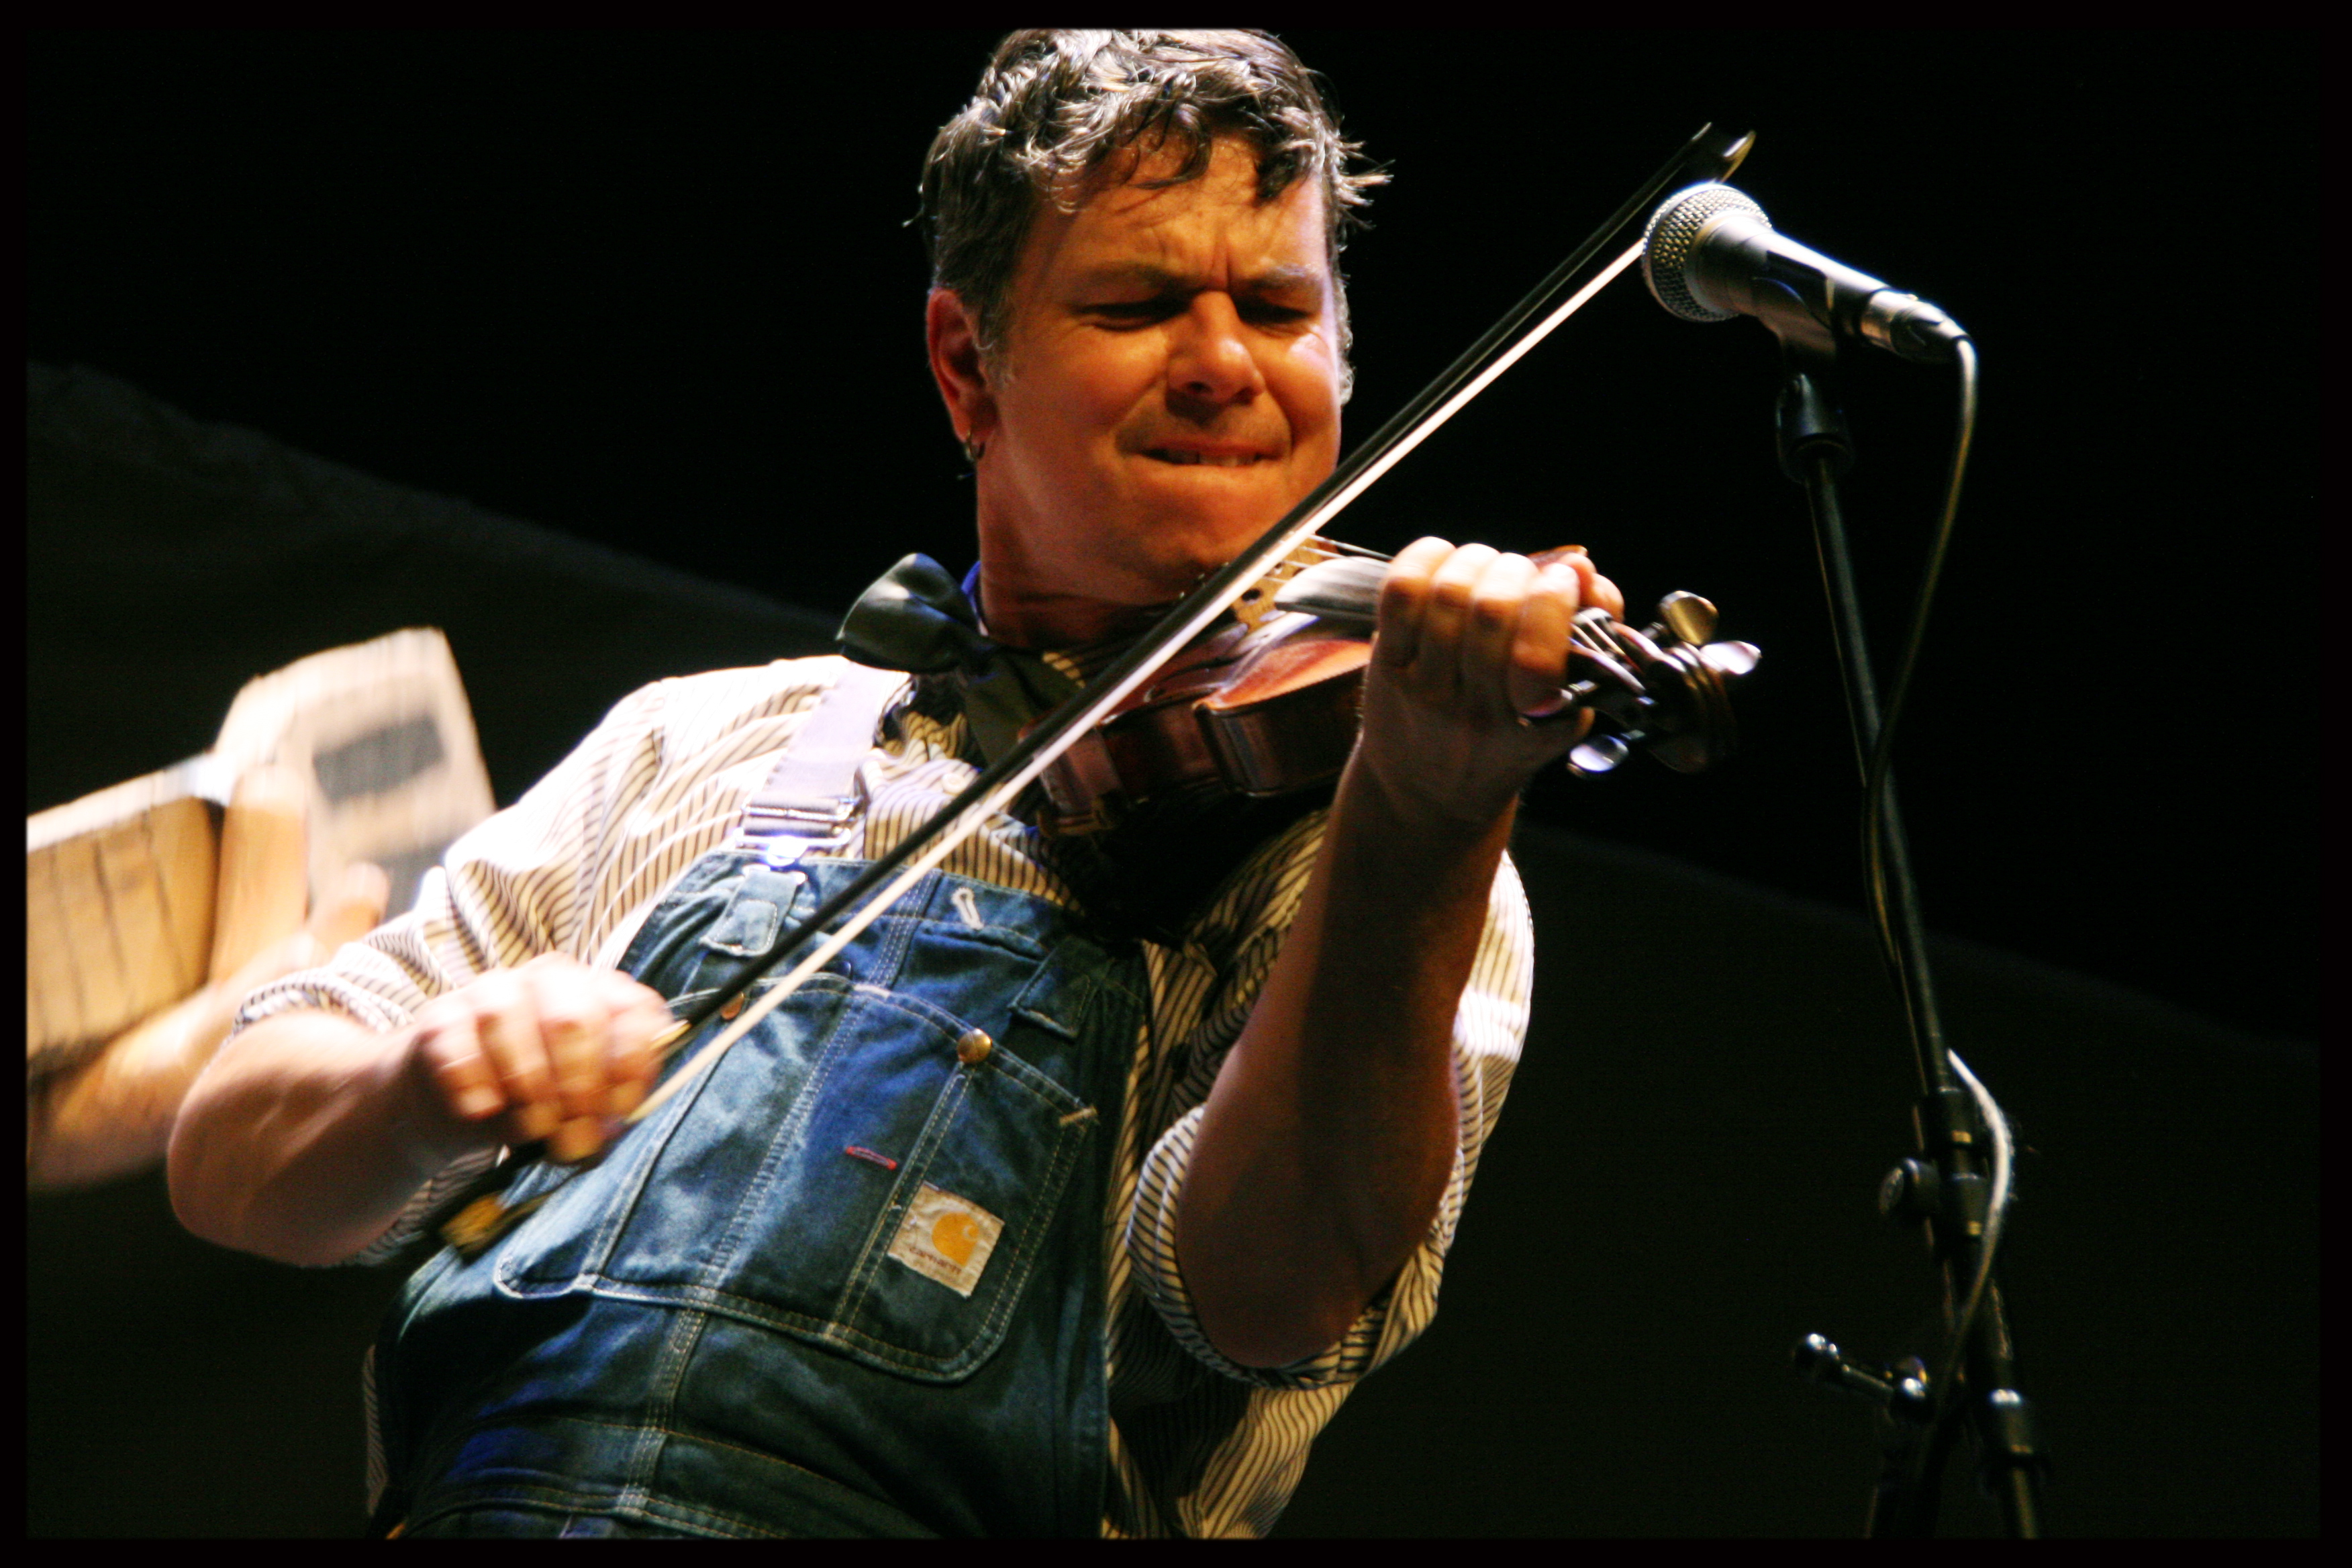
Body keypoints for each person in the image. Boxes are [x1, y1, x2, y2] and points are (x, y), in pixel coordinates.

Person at [167, 30, 1627, 1538]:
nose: (1220, 365)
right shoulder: (698, 740)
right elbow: (229, 1156)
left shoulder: (1374, 845)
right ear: (966, 366)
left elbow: (1267, 1297)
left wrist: (1420, 820)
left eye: (1277, 307)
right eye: (1136, 305)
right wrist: (420, 1085)